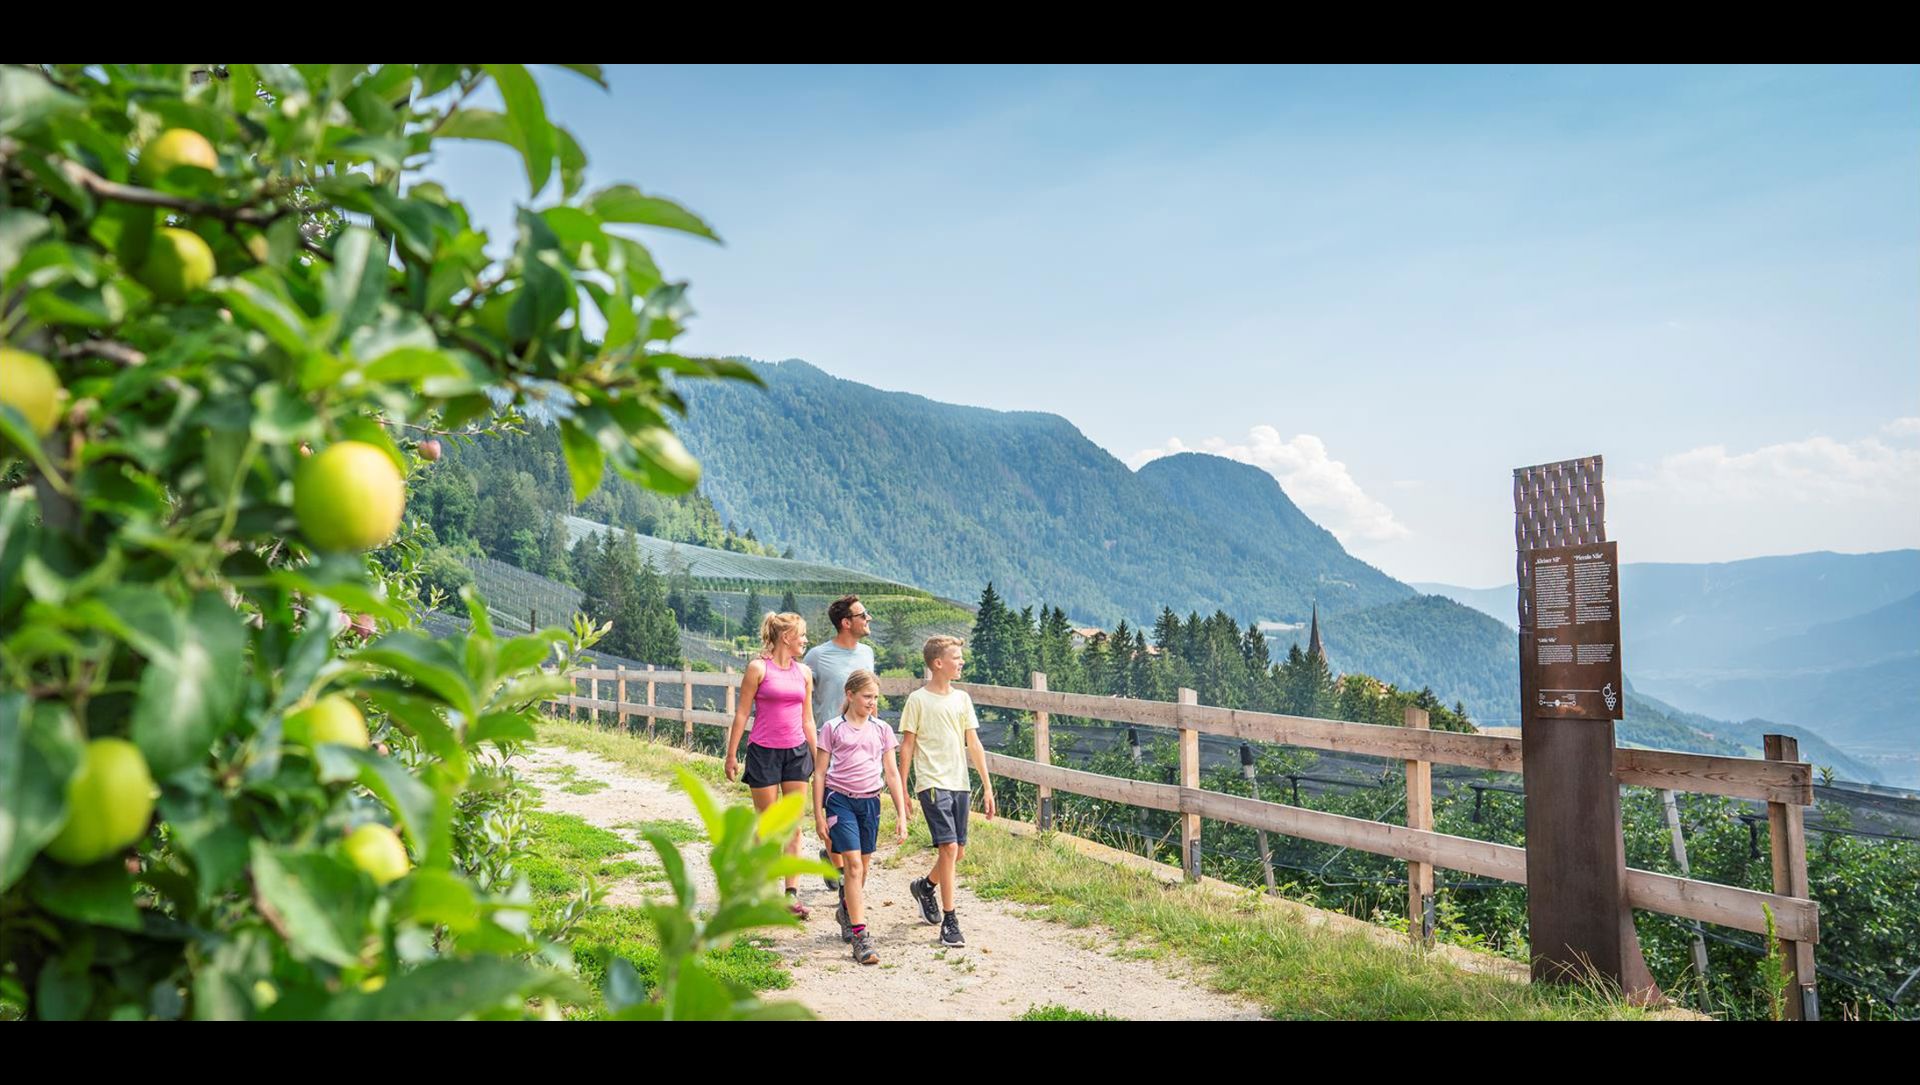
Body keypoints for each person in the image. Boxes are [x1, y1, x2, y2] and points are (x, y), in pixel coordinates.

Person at [898, 635, 995, 948]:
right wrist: (903, 788)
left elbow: (974, 743)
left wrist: (987, 785)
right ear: (938, 663)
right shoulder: (918, 700)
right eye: (956, 657)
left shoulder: (962, 699)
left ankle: (925, 887)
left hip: (960, 783)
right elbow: (907, 746)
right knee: (950, 850)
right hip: (932, 783)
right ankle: (950, 922)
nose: (961, 662)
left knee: (957, 853)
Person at [724, 611, 820, 918]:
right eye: (802, 635)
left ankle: (790, 896)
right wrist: (731, 754)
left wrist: (818, 759)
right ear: (787, 637)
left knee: (792, 826)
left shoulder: (803, 673)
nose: (805, 640)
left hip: (796, 753)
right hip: (763, 752)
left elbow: (808, 719)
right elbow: (741, 713)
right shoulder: (757, 669)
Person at [813, 669, 907, 965]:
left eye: (875, 697)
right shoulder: (832, 728)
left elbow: (891, 773)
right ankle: (860, 936)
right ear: (850, 695)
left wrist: (902, 814)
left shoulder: (882, 729)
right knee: (853, 867)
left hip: (871, 802)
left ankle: (845, 909)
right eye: (867, 696)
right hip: (840, 801)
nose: (872, 702)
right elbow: (819, 773)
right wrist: (817, 813)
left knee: (862, 871)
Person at [801, 595, 876, 889]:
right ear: (846, 623)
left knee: (855, 807)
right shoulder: (817, 656)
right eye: (863, 615)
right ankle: (841, 870)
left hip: (859, 743)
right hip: (827, 742)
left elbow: (870, 694)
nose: (868, 619)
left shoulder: (867, 654)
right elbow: (801, 696)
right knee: (833, 807)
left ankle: (839, 864)